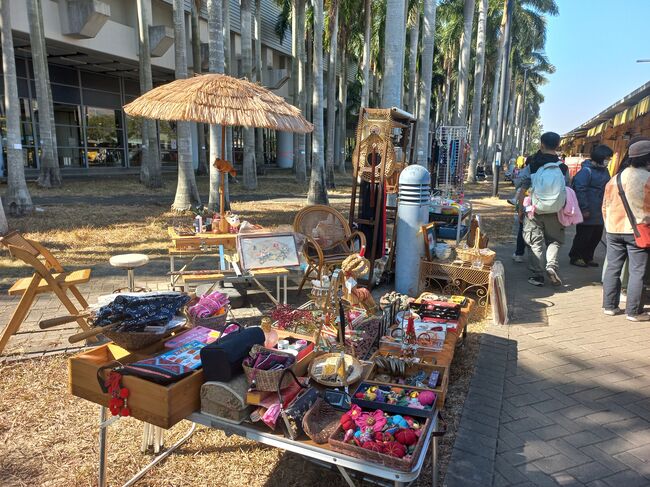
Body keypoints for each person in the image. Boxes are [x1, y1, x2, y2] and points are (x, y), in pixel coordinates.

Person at [601, 140, 650, 321]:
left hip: (613, 229)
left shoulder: (615, 178)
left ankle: (609, 306)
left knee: (613, 268)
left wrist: (609, 225)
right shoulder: (647, 178)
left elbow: (604, 206)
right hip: (638, 231)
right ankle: (634, 311)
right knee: (637, 271)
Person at [518, 132, 570, 287]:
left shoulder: (533, 165)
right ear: (558, 145)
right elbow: (567, 189)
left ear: (541, 144)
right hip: (556, 211)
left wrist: (520, 210)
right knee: (554, 240)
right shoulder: (563, 168)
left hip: (534, 210)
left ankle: (538, 276)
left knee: (535, 242)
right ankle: (551, 265)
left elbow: (523, 189)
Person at [568, 144, 613, 267]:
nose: (608, 161)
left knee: (596, 236)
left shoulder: (605, 170)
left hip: (600, 210)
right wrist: (584, 208)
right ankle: (576, 256)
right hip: (588, 210)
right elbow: (580, 190)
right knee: (584, 235)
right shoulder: (586, 171)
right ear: (600, 157)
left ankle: (588, 257)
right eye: (607, 158)